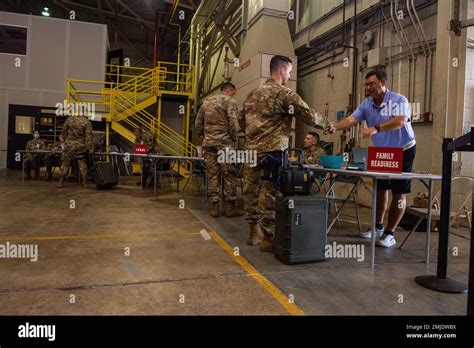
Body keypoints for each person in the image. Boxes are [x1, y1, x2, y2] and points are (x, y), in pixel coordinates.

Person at [239, 55, 331, 250]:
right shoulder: (283, 94)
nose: (289, 76)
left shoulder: (251, 94)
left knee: (250, 189)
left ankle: (253, 230)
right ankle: (268, 237)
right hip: (272, 150)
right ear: (281, 71)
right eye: (289, 72)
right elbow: (306, 113)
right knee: (268, 192)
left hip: (250, 150)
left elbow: (241, 120)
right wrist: (328, 125)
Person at [330, 69, 416, 248]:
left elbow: (400, 120)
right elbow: (351, 119)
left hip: (403, 150)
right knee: (380, 189)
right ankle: (377, 227)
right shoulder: (366, 104)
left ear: (383, 83)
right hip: (382, 151)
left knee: (399, 192)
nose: (368, 87)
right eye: (366, 84)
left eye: (372, 84)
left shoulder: (399, 100)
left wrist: (376, 128)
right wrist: (334, 126)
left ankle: (390, 234)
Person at [195, 82, 243, 218]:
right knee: (230, 175)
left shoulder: (206, 102)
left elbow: (198, 123)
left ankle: (215, 208)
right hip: (225, 145)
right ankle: (230, 208)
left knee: (212, 175)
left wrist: (205, 137)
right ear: (231, 90)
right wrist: (233, 139)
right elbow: (234, 123)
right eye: (234, 93)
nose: (234, 95)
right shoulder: (230, 101)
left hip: (209, 144)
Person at [57, 114, 94, 188]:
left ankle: (60, 182)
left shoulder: (69, 120)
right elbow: (89, 136)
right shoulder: (86, 122)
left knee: (65, 163)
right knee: (82, 163)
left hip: (69, 145)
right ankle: (84, 183)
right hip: (81, 145)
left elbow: (63, 132)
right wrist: (90, 148)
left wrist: (63, 141)